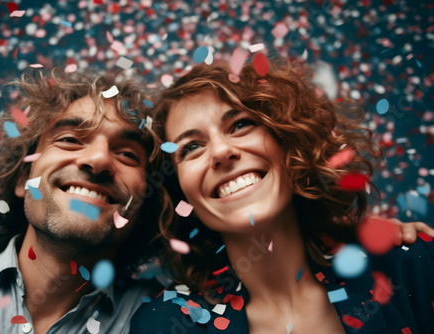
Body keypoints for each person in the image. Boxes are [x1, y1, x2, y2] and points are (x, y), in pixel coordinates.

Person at [130, 59, 434, 333]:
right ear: (180, 196)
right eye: (191, 147)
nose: (221, 152)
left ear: (289, 144)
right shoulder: (164, 324)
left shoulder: (411, 266)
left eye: (240, 124)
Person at [0, 68, 173, 334]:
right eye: (69, 139)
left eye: (128, 154)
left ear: (145, 204)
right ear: (23, 179)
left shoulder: (167, 317)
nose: (98, 160)